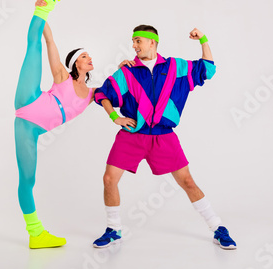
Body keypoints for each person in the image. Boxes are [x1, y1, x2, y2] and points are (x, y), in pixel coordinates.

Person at [92, 25, 237, 250]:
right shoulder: (127, 71)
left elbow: (208, 68)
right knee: (109, 179)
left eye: (138, 41)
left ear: (152, 42)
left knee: (187, 182)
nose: (133, 45)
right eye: (133, 41)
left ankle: (218, 227)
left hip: (163, 136)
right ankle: (113, 229)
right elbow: (102, 94)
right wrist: (114, 116)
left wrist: (204, 40)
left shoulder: (176, 67)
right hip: (132, 135)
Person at [14, 0, 94, 249]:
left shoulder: (94, 93)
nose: (89, 59)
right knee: (34, 45)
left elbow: (118, 87)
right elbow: (49, 39)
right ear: (74, 64)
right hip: (30, 100)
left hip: (30, 127)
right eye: (84, 56)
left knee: (28, 179)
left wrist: (125, 65)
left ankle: (36, 235)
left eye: (89, 56)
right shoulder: (62, 76)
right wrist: (40, 8)